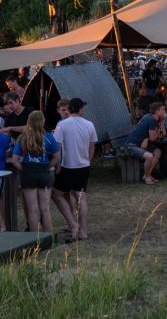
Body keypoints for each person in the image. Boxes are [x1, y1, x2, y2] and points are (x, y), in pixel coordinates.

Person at [52, 98, 98, 241]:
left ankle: (72, 223)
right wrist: (88, 160)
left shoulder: (62, 125)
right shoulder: (89, 124)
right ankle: (83, 231)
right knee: (81, 198)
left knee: (56, 194)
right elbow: (92, 146)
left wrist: (57, 165)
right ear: (79, 109)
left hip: (67, 166)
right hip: (83, 166)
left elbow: (57, 148)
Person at [11, 110, 59, 233]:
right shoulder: (49, 138)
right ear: (43, 122)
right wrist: (47, 166)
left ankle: (36, 239)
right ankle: (48, 237)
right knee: (45, 209)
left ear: (29, 122)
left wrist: (24, 170)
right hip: (43, 172)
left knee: (32, 210)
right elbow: (57, 157)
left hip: (28, 173)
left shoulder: (23, 138)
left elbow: (15, 160)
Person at [123, 101, 164, 185]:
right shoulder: (151, 119)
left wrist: (147, 138)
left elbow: (159, 135)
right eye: (163, 110)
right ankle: (147, 177)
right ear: (157, 111)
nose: (164, 112)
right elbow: (154, 138)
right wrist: (148, 138)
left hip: (140, 144)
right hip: (131, 146)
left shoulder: (154, 119)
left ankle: (147, 175)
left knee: (157, 152)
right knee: (149, 156)